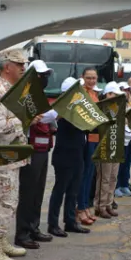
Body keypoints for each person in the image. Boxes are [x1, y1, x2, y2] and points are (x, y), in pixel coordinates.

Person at [0, 49, 29, 260]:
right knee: (1, 203)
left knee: (10, 202)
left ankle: (2, 243)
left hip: (10, 156)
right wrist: (24, 119)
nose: (23, 68)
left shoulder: (11, 90)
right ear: (7, 66)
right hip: (0, 156)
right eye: (19, 64)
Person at [15, 60, 57, 250]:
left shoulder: (40, 95)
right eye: (41, 75)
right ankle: (22, 233)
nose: (44, 78)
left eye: (46, 75)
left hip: (43, 148)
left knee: (38, 191)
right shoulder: (24, 95)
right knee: (28, 192)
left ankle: (34, 227)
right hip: (29, 148)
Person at [47, 77, 90, 237]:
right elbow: (47, 116)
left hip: (77, 152)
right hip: (64, 154)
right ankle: (53, 224)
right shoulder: (61, 107)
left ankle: (70, 221)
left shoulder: (79, 108)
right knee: (60, 189)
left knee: (74, 190)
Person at [77, 67, 102, 225]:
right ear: (82, 77)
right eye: (88, 78)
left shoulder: (95, 94)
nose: (91, 81)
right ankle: (80, 207)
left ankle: (86, 205)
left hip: (95, 136)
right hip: (85, 137)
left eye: (94, 78)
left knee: (90, 173)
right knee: (84, 174)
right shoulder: (82, 94)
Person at [94, 82, 122, 218]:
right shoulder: (100, 108)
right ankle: (100, 205)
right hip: (104, 147)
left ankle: (109, 203)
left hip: (116, 146)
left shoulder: (118, 108)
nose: (114, 97)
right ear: (107, 94)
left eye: (117, 95)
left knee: (113, 177)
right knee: (104, 178)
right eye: (112, 94)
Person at [115, 81, 131, 197]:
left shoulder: (130, 104)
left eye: (127, 90)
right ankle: (117, 186)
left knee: (127, 163)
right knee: (119, 164)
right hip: (120, 138)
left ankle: (124, 185)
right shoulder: (116, 105)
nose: (126, 92)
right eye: (123, 89)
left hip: (130, 137)